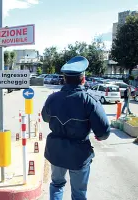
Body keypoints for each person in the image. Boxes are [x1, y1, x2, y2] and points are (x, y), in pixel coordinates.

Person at [42, 56, 110, 200]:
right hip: (78, 155)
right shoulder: (89, 101)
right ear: (83, 79)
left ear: (64, 79)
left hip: (56, 152)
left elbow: (45, 118)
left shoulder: (52, 99)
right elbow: (104, 131)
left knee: (56, 185)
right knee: (79, 193)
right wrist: (100, 136)